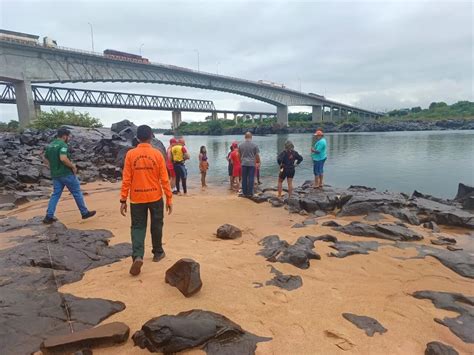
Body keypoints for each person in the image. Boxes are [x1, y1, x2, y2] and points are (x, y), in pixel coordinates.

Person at [120, 125, 173, 276]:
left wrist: (123, 199)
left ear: (137, 138)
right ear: (151, 137)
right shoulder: (157, 154)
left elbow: (126, 179)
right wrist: (169, 198)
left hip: (136, 198)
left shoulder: (130, 154)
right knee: (157, 225)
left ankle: (137, 256)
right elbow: (164, 179)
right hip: (155, 197)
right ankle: (158, 252)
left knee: (137, 227)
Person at [43, 128, 96, 224]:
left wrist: (52, 166)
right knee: (77, 192)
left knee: (55, 194)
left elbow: (45, 158)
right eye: (69, 136)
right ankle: (84, 212)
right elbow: (63, 158)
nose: (69, 138)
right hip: (66, 173)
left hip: (55, 175)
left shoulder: (50, 145)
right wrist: (73, 166)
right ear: (64, 136)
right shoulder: (63, 145)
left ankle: (48, 216)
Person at [238, 132, 260, 197]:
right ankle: (250, 192)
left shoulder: (240, 145)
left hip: (244, 163)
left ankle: (244, 192)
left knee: (244, 178)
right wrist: (258, 162)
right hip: (252, 164)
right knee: (251, 178)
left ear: (245, 137)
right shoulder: (255, 145)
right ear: (251, 137)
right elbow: (257, 155)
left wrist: (240, 161)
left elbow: (239, 155)